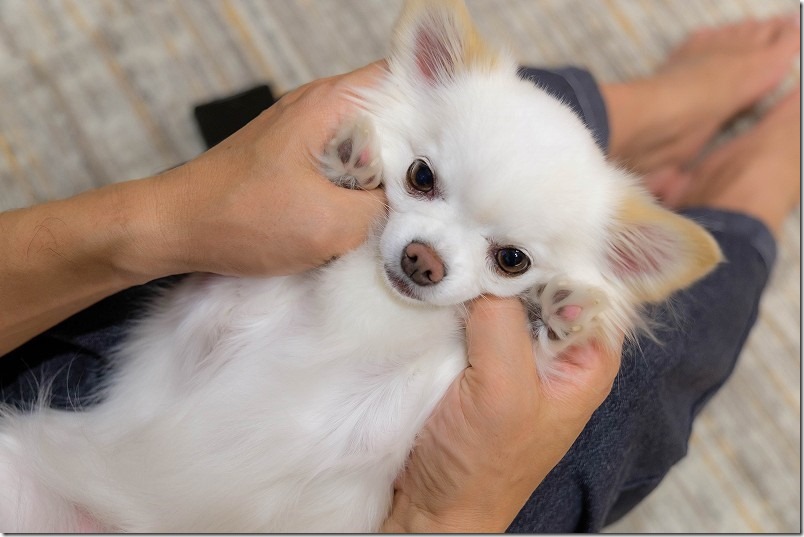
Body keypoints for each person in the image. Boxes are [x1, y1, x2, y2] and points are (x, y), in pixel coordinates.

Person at [0, 14, 799, 533]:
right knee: (628, 377)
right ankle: (752, 191)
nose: (430, 254)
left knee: (508, 122)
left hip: (43, 461)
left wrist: (169, 223)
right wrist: (452, 513)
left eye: (508, 256)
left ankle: (657, 115)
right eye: (424, 186)